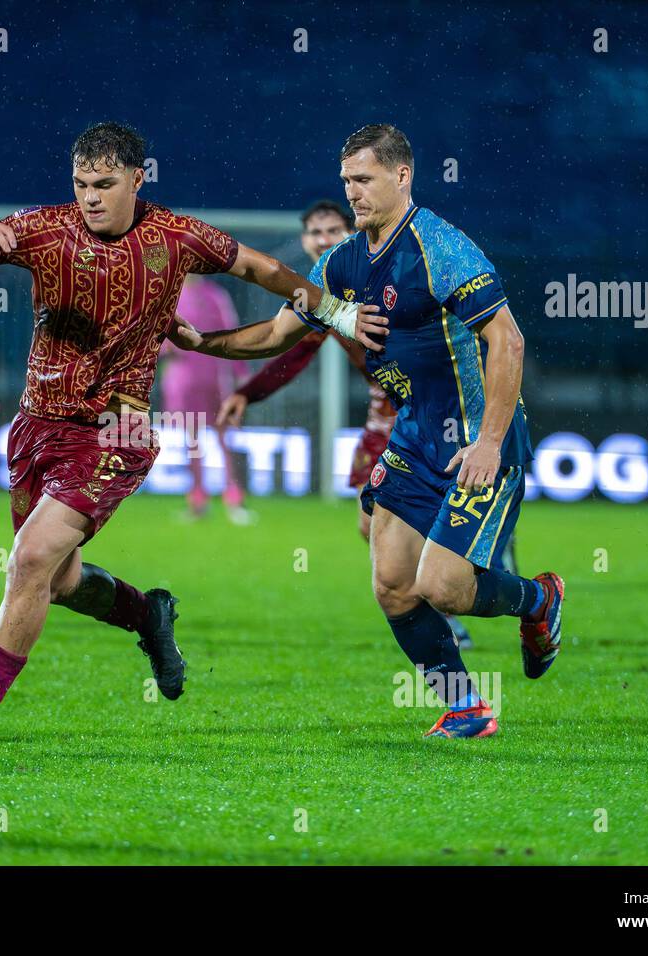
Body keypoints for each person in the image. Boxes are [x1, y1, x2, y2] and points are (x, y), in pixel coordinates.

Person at [0, 121, 384, 741]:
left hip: (117, 430)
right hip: (37, 425)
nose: (90, 196)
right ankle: (148, 615)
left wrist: (333, 309)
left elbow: (260, 268)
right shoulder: (45, 227)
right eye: (81, 183)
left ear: (138, 178)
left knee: (28, 561)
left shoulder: (178, 236)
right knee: (56, 582)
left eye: (105, 183)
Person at [175, 124, 564, 739]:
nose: (352, 193)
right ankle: (465, 706)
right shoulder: (343, 262)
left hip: (474, 437)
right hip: (412, 436)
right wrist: (204, 343)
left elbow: (506, 339)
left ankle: (539, 601)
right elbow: (278, 334)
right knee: (392, 585)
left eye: (364, 179)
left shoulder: (440, 247)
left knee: (444, 587)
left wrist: (488, 442)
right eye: (347, 181)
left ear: (402, 175)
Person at [219, 200, 508, 649]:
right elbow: (289, 349)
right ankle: (446, 587)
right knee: (366, 523)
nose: (324, 239)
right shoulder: (329, 290)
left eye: (333, 230)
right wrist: (245, 392)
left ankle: (468, 568)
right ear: (304, 241)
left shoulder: (384, 266)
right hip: (386, 411)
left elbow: (486, 334)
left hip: (432, 408)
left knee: (418, 532)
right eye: (315, 232)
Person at [158, 274, 252, 522]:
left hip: (215, 378)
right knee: (193, 442)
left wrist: (241, 375)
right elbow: (156, 338)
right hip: (185, 379)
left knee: (223, 439)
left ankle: (233, 498)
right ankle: (198, 500)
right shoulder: (169, 294)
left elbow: (233, 335)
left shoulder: (215, 295)